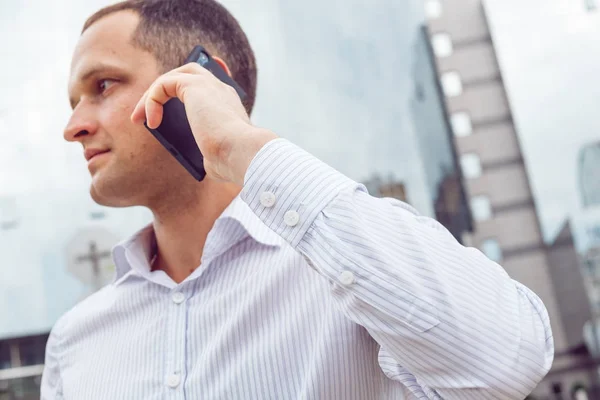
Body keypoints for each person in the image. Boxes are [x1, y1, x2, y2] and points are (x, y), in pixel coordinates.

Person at [41, 0, 554, 398]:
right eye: (73, 102)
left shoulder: (355, 270)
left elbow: (510, 362)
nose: (73, 127)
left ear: (202, 83)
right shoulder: (75, 341)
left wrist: (242, 145)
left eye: (103, 85)